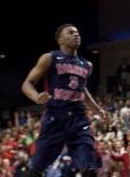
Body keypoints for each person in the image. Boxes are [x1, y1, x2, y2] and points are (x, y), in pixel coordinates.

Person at [21, 24, 107, 174]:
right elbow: (26, 84)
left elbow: (82, 90)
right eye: (71, 32)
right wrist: (36, 97)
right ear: (60, 40)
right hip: (55, 118)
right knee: (36, 168)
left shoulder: (87, 65)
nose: (76, 35)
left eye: (78, 33)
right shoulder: (50, 58)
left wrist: (98, 110)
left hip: (78, 119)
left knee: (90, 165)